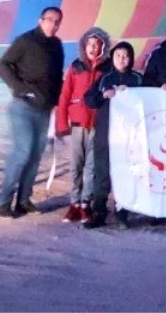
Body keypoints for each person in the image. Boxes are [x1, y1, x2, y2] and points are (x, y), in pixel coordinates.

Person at [0, 6, 64, 218]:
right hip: (23, 107)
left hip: (45, 109)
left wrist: (59, 101)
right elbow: (3, 65)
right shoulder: (26, 41)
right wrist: (21, 88)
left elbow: (56, 77)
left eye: (57, 21)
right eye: (50, 19)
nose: (53, 24)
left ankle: (24, 200)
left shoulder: (57, 45)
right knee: (23, 152)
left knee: (35, 156)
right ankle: (5, 202)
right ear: (40, 19)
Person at [83, 41, 143, 230]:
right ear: (112, 58)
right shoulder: (104, 79)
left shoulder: (139, 79)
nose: (122, 59)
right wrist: (103, 95)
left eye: (126, 56)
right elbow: (89, 100)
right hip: (106, 134)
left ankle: (123, 212)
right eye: (118, 56)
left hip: (130, 137)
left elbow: (152, 100)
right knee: (102, 173)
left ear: (131, 58)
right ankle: (99, 212)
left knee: (126, 173)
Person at [55, 26, 110, 223]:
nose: (93, 48)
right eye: (90, 44)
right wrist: (62, 123)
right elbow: (65, 95)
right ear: (84, 46)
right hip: (77, 124)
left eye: (97, 44)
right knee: (76, 165)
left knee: (91, 167)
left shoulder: (107, 69)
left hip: (97, 124)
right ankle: (74, 203)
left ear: (103, 46)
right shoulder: (75, 67)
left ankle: (86, 203)